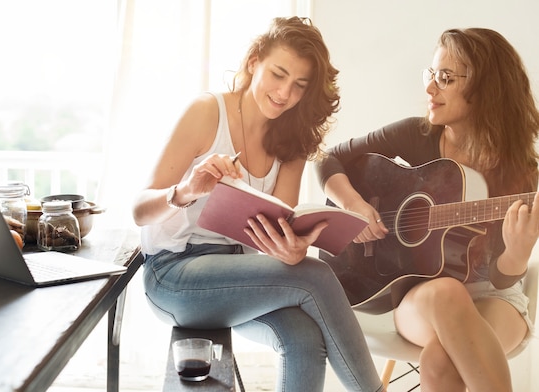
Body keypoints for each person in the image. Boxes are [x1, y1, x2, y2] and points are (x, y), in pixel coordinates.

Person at [132, 16, 385, 392]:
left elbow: (274, 231)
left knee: (302, 336)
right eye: (278, 75)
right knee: (317, 277)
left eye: (299, 85)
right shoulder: (207, 112)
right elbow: (139, 209)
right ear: (254, 63)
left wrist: (291, 251)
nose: (284, 93)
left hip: (241, 274)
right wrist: (186, 190)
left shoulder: (294, 142)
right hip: (174, 276)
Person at [316, 27, 539, 392]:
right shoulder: (416, 135)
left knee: (439, 361)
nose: (430, 89)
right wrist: (354, 205)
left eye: (446, 78)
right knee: (446, 292)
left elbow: (502, 278)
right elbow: (331, 159)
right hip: (417, 292)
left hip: (492, 293)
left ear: (486, 90)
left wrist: (518, 251)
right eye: (431, 74)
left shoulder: (517, 169)